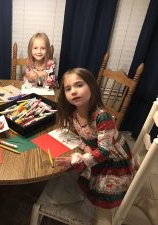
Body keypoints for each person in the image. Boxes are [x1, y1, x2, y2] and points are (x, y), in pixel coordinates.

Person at [55, 68, 134, 224]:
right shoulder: (74, 115)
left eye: (79, 85)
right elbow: (80, 137)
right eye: (68, 88)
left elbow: (104, 152)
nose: (73, 91)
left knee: (102, 210)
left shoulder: (102, 117)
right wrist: (85, 148)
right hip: (97, 158)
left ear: (91, 86)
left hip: (113, 164)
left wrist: (78, 159)